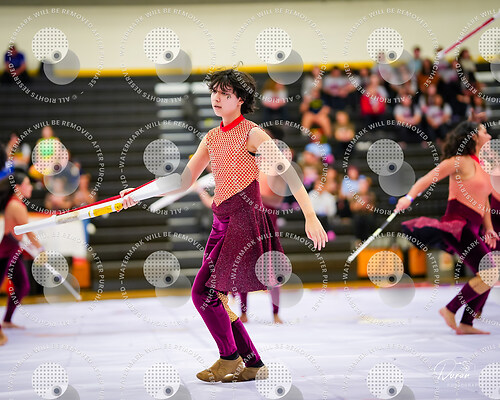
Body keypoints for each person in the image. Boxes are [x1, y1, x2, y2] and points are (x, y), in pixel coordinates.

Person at [120, 68, 328, 382]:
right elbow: (183, 180)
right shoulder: (212, 137)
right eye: (214, 92)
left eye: (225, 94)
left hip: (243, 220)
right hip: (221, 221)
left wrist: (310, 215)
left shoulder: (253, 134)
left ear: (240, 99)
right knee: (214, 296)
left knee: (202, 293)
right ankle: (253, 363)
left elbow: (289, 174)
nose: (217, 98)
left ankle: (229, 357)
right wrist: (138, 194)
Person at [398, 121, 497, 335]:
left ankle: (466, 323)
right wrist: (408, 197)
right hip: (458, 226)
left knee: (488, 275)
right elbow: (427, 179)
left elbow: (485, 201)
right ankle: (450, 309)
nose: (488, 134)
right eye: (484, 131)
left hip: (473, 227)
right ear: (473, 136)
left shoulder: (483, 165)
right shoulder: (459, 161)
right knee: (490, 272)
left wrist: (489, 228)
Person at [0, 170, 43, 345]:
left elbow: (24, 234)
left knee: (23, 285)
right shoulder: (16, 205)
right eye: (27, 184)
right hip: (6, 250)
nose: (31, 187)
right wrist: (41, 250)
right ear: (18, 187)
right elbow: (29, 231)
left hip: (13, 247)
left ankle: (7, 320)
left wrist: (35, 250)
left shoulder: (17, 204)